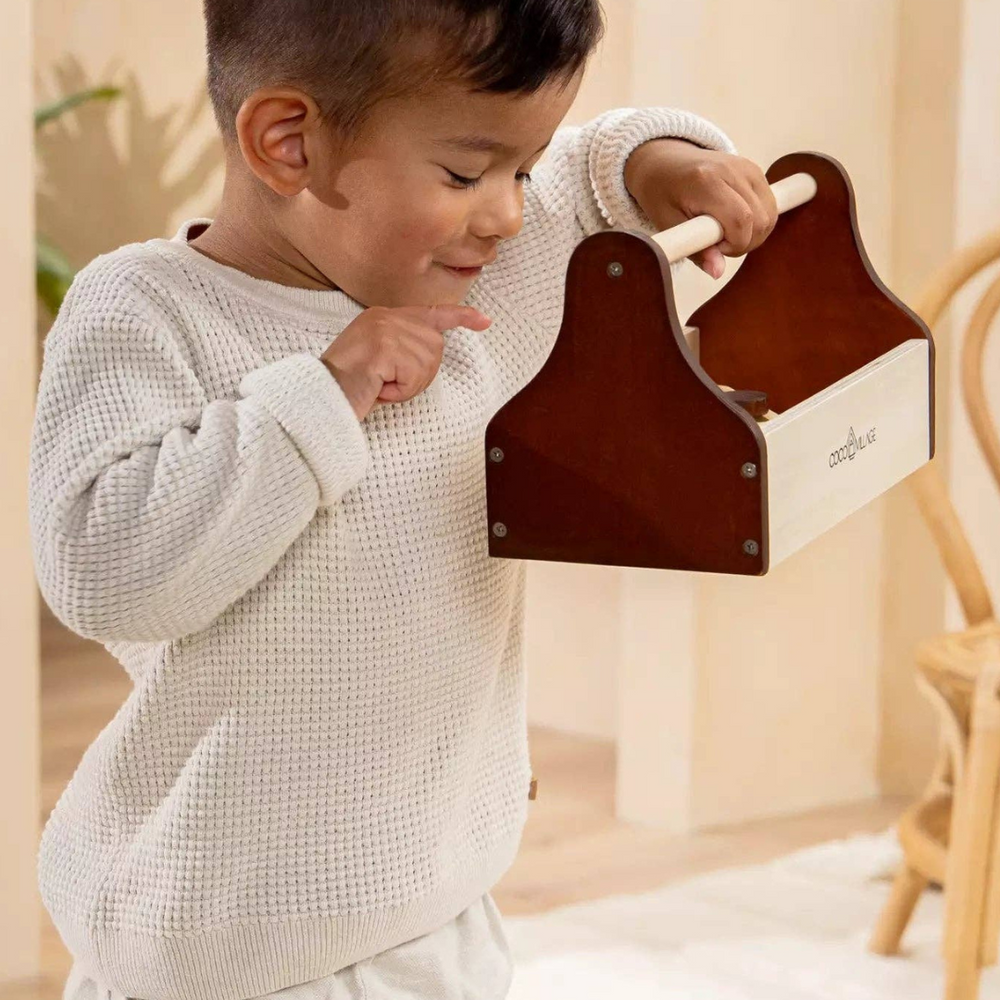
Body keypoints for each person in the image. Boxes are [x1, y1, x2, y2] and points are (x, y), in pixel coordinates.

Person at [27, 1, 778, 998]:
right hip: (222, 941)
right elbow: (102, 567)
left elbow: (598, 167)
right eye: (467, 174)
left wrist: (676, 163)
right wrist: (324, 391)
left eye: (519, 168)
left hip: (439, 909)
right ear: (287, 144)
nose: (508, 210)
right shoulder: (149, 309)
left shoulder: (476, 272)